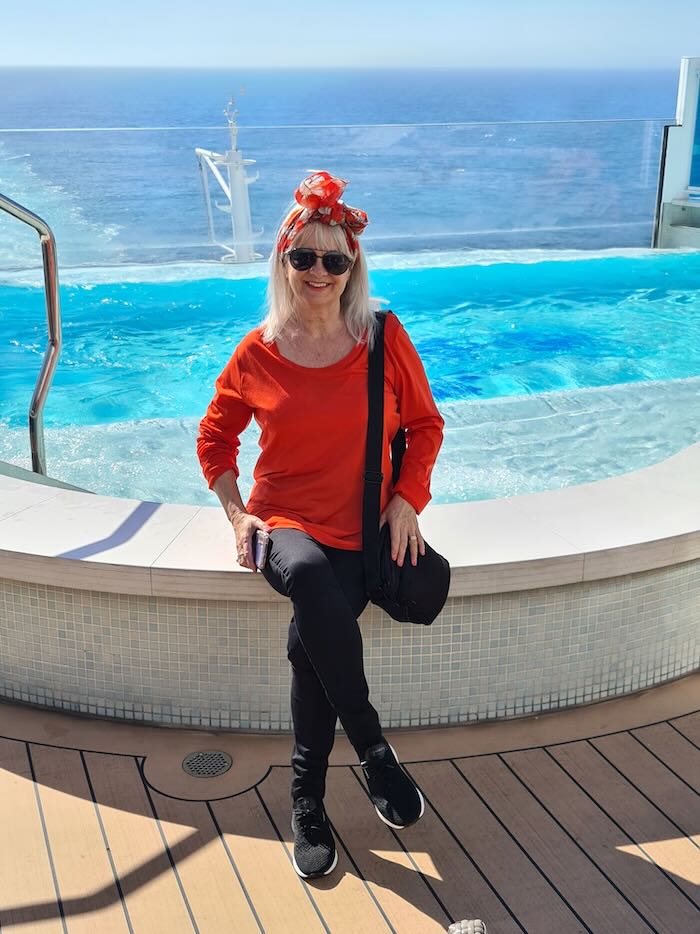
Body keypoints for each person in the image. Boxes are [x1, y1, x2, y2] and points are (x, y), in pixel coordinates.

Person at [197, 171, 444, 879]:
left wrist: (406, 499)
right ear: (283, 261)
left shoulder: (382, 339)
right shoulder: (258, 350)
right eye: (303, 256)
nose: (319, 271)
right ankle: (373, 752)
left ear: (353, 267)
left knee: (312, 643)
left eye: (335, 259)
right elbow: (214, 438)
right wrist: (238, 511)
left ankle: (306, 797)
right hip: (285, 522)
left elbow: (426, 426)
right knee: (304, 574)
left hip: (363, 532)